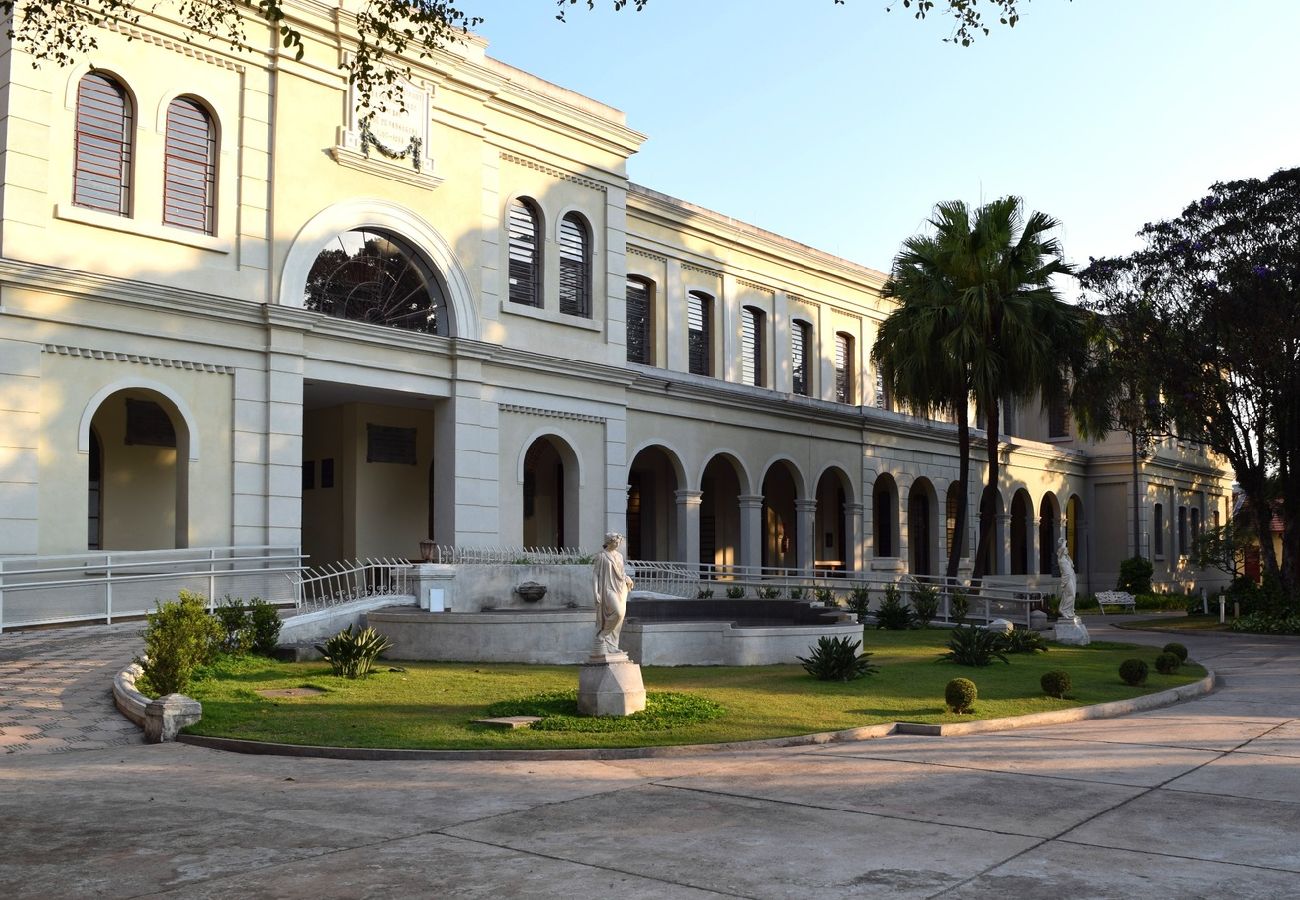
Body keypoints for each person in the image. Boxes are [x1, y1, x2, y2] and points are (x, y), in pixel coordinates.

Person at [593, 532, 634, 655]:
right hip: (608, 588)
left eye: (618, 542)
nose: (617, 544)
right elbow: (595, 574)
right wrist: (595, 592)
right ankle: (603, 635)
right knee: (618, 612)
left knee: (620, 617)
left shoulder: (620, 556)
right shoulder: (601, 556)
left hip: (621, 588)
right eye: (615, 542)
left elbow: (621, 573)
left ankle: (612, 646)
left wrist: (627, 578)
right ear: (609, 542)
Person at [1056, 534, 1077, 620]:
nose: (1066, 549)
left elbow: (1071, 566)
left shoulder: (1067, 559)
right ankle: (1064, 610)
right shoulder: (1060, 559)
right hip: (1066, 579)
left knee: (1071, 595)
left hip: (1071, 577)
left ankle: (1069, 611)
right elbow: (1062, 548)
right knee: (1071, 594)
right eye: (1066, 549)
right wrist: (1064, 542)